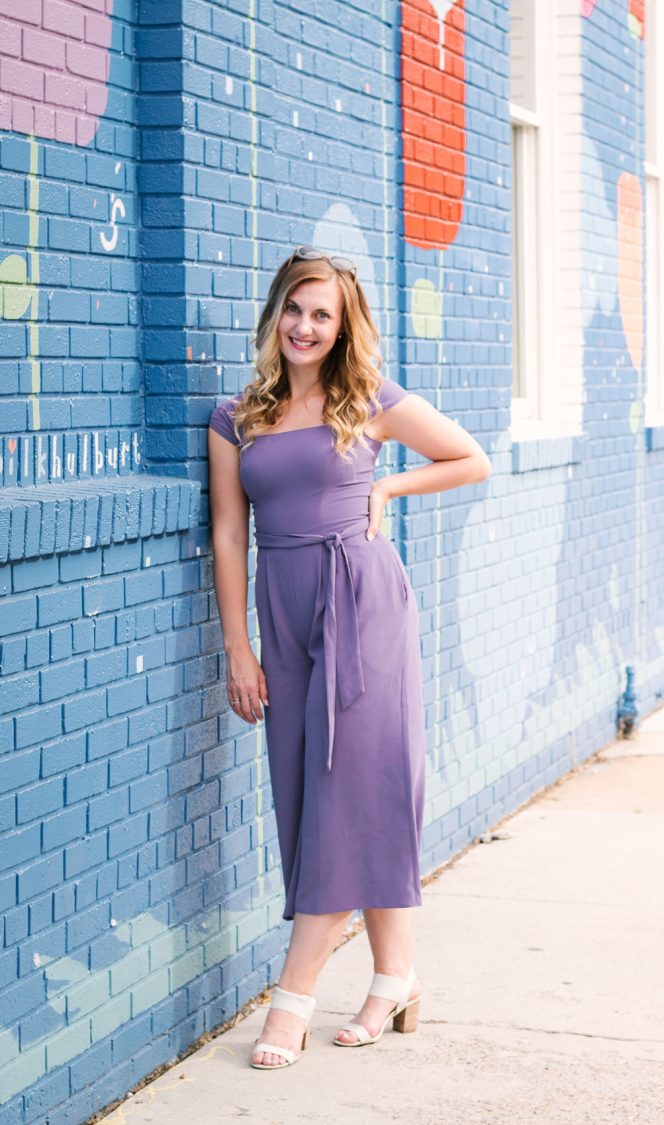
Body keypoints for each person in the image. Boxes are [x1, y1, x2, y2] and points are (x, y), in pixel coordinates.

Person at [207, 245, 491, 1070]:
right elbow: (230, 534)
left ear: (342, 326)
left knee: (345, 793)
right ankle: (396, 974)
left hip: (363, 604)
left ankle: (290, 997)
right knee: (320, 792)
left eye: (322, 314)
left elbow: (469, 456)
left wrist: (387, 488)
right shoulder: (236, 417)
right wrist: (239, 646)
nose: (305, 325)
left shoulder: (365, 398)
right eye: (294, 309)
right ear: (276, 313)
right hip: (284, 616)